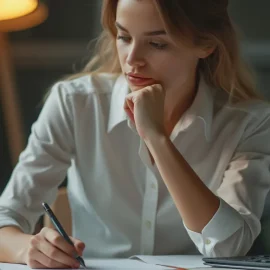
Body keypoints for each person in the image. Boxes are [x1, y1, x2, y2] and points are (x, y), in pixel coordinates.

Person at [1, 0, 270, 268]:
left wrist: (157, 139)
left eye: (157, 44)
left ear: (206, 45)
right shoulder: (76, 104)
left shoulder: (251, 123)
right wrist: (28, 249)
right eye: (124, 37)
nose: (131, 60)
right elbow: (5, 218)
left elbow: (229, 246)